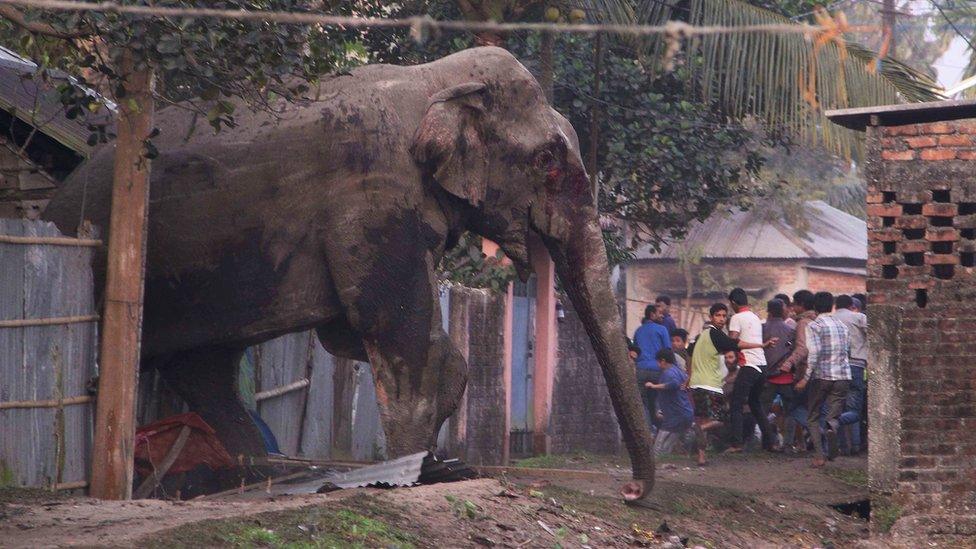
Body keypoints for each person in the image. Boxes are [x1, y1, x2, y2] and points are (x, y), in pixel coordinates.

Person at [687, 303, 771, 464]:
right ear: (711, 317)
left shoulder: (702, 336)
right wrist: (761, 345)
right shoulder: (715, 334)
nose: (721, 319)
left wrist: (689, 376)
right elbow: (736, 344)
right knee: (719, 420)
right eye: (718, 315)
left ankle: (701, 457)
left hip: (696, 384)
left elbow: (690, 354)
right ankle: (703, 431)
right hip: (711, 384)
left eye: (724, 316)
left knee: (702, 420)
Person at [796, 291, 851, 468]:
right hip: (843, 376)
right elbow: (847, 351)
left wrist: (805, 378)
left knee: (812, 415)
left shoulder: (814, 326)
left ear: (814, 307)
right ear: (832, 306)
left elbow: (814, 354)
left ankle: (820, 456)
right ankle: (831, 428)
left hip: (822, 377)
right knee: (833, 415)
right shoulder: (842, 326)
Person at [726, 288, 778, 453]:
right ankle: (770, 442)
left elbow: (733, 342)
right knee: (755, 404)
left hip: (749, 365)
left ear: (733, 302)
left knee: (736, 403)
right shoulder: (755, 317)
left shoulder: (736, 317)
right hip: (761, 365)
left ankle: (737, 443)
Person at [834, 294, 867, 455]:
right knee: (854, 409)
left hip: (835, 368)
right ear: (850, 305)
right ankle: (855, 444)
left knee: (837, 407)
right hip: (856, 365)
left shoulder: (830, 319)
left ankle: (842, 446)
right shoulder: (859, 317)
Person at [761, 298, 796, 451]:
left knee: (763, 410)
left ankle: (768, 443)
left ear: (768, 311)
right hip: (786, 376)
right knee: (790, 412)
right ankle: (788, 444)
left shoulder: (762, 329)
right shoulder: (790, 330)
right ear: (783, 311)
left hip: (768, 377)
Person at [645, 349, 693, 455]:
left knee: (658, 449)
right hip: (683, 412)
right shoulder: (679, 371)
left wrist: (654, 386)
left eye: (658, 362)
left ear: (663, 361)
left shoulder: (669, 373)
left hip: (675, 415)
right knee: (668, 447)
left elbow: (674, 384)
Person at [633, 304, 672, 429]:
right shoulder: (662, 329)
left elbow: (635, 351)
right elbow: (667, 351)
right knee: (659, 401)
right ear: (652, 315)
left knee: (642, 402)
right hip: (658, 370)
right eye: (659, 313)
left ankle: (648, 431)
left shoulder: (638, 331)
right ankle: (663, 430)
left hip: (641, 370)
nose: (662, 316)